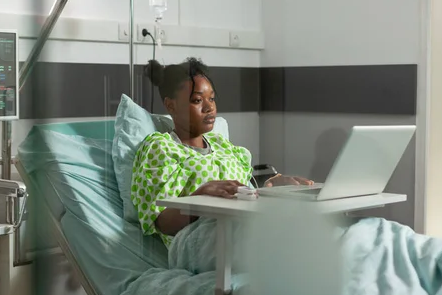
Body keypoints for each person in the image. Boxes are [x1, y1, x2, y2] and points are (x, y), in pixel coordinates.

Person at [131, 57, 312, 259]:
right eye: (198, 100)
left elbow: (244, 189)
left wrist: (271, 185)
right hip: (196, 241)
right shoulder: (161, 147)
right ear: (171, 106)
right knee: (297, 237)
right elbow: (161, 222)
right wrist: (200, 197)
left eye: (212, 98)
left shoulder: (222, 145)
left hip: (241, 226)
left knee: (317, 226)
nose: (209, 108)